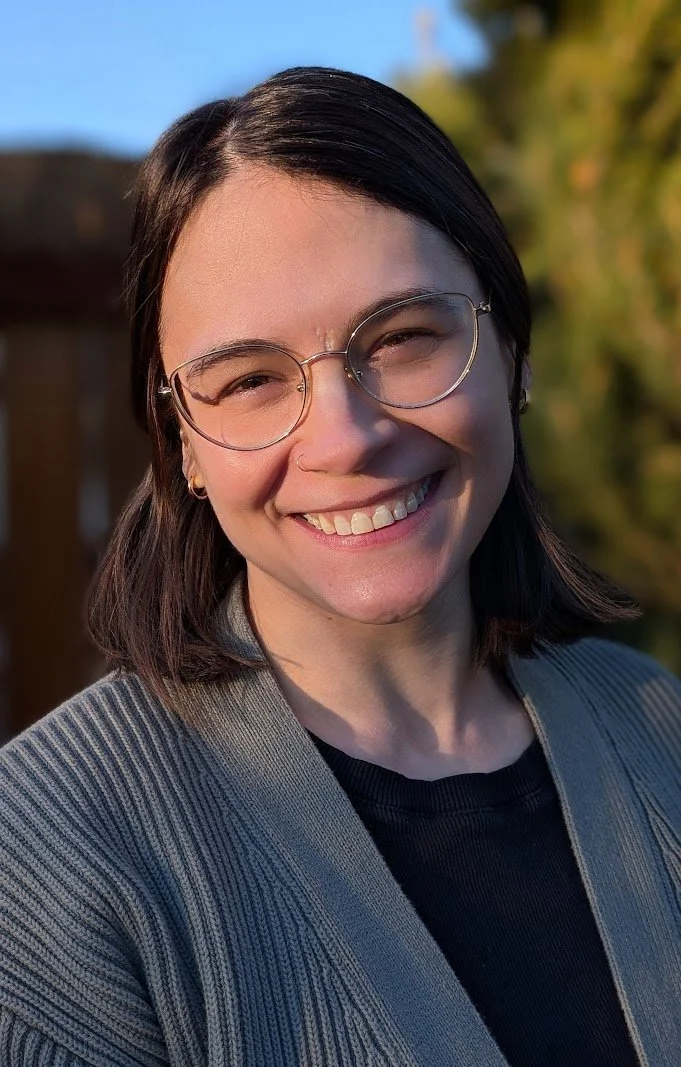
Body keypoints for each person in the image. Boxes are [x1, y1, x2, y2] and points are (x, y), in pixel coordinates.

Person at [0, 67, 679, 1067]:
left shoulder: (658, 729)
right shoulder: (47, 856)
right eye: (249, 380)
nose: (346, 435)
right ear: (181, 441)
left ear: (512, 353)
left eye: (403, 337)